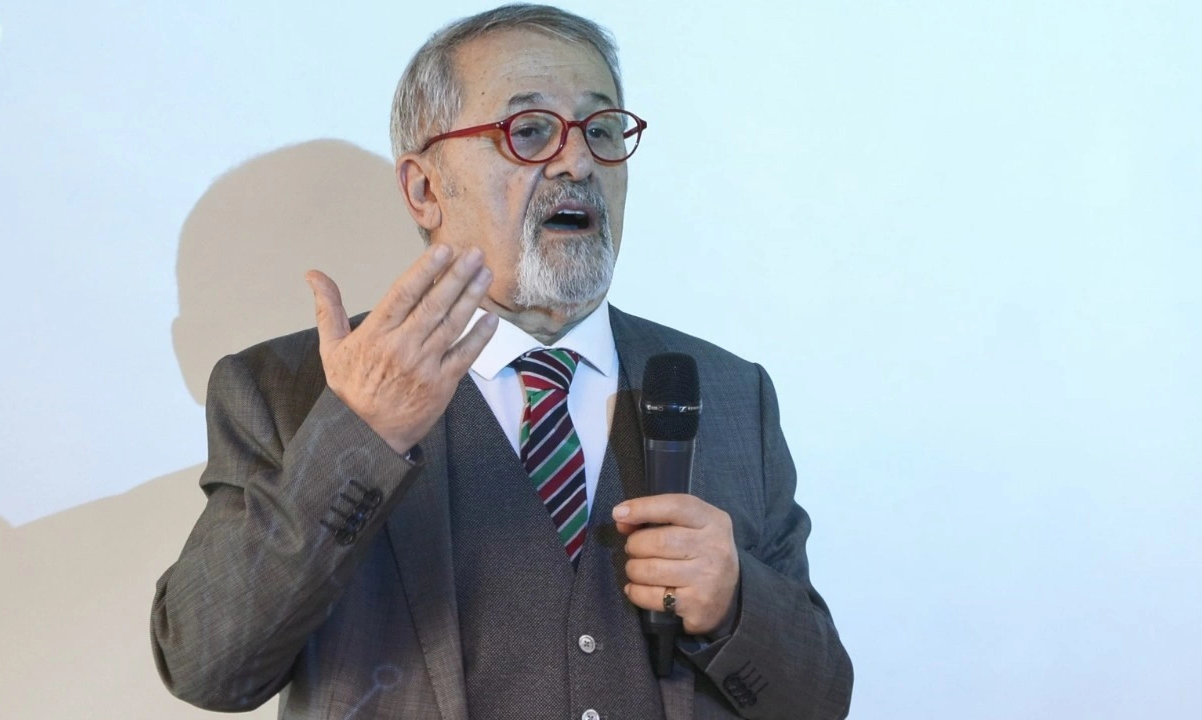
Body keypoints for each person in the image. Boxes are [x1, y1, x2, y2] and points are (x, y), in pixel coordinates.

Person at [150, 4, 853, 719]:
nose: (578, 162)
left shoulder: (733, 394)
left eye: (602, 130)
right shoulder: (288, 390)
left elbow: (819, 702)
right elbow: (208, 668)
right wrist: (358, 434)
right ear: (425, 189)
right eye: (529, 131)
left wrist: (735, 605)